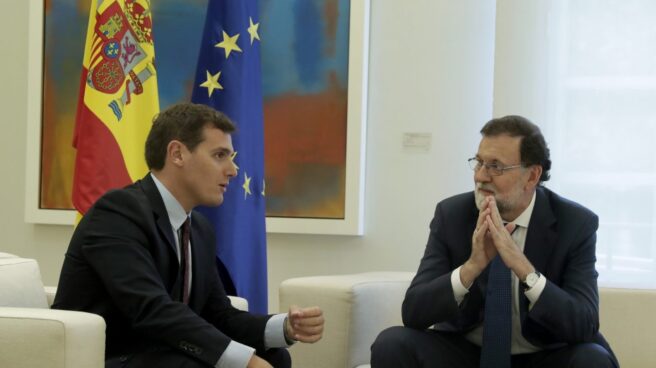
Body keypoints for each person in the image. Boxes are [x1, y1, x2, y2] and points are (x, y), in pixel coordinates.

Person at [52, 103, 324, 368]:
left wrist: (285, 327)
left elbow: (219, 314)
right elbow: (152, 310)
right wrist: (246, 362)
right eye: (220, 155)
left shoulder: (199, 229)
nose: (232, 170)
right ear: (177, 154)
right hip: (110, 356)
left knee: (277, 356)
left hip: (162, 352)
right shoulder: (117, 213)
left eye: (230, 157)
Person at [370, 115, 618, 368]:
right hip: (467, 353)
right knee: (392, 343)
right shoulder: (452, 215)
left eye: (496, 167)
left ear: (532, 176)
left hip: (543, 354)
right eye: (479, 163)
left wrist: (523, 268)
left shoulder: (574, 223)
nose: (481, 176)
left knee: (592, 360)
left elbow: (584, 324)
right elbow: (413, 313)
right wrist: (471, 267)